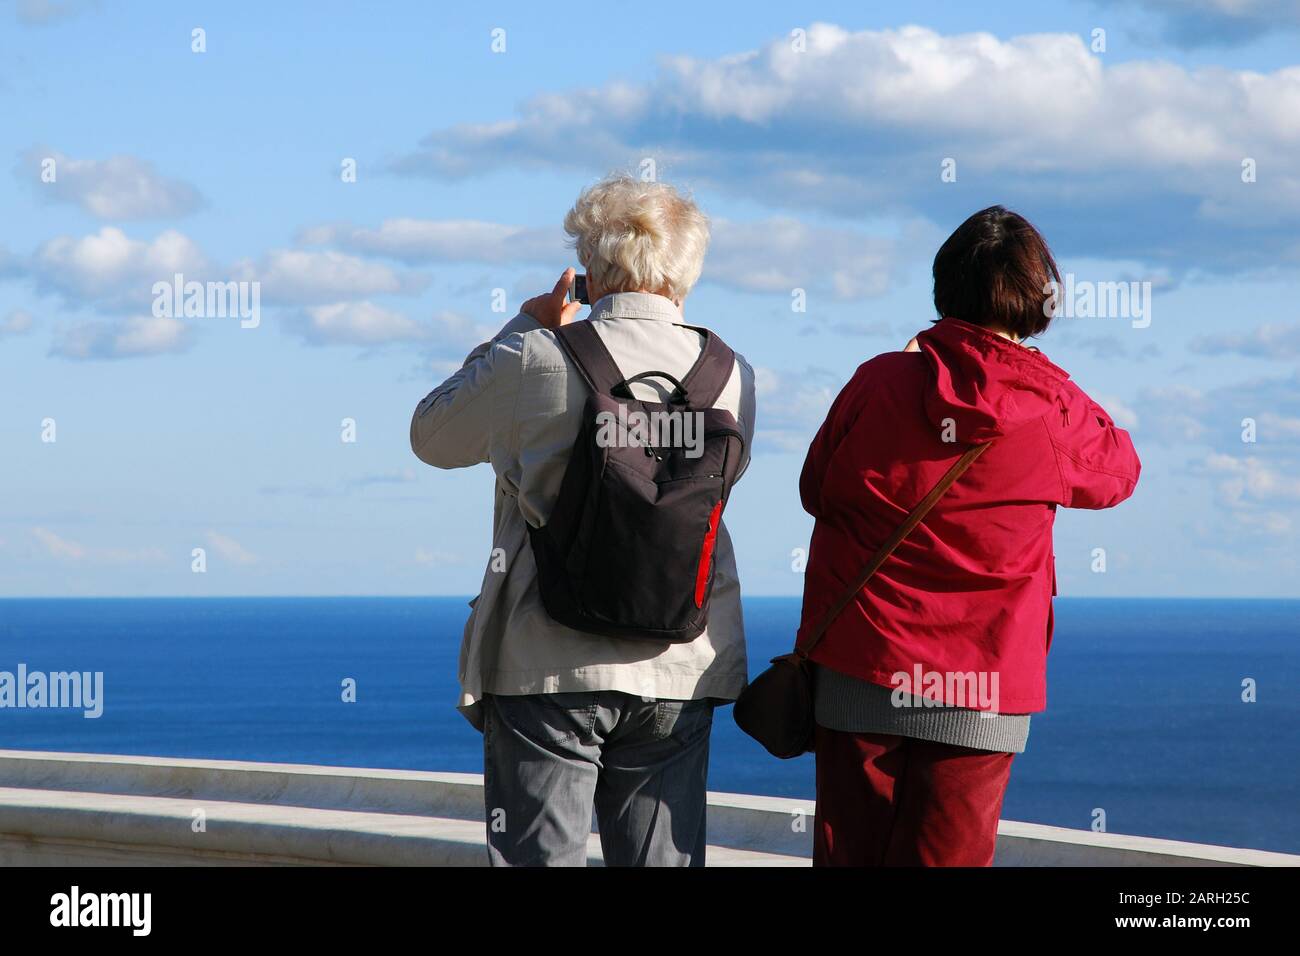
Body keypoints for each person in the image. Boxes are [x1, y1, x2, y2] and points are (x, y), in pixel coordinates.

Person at [409, 174, 756, 866]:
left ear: (589, 272)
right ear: (686, 272)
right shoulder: (732, 374)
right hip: (678, 662)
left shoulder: (537, 358)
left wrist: (525, 325)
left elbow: (432, 434)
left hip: (546, 661)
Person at [799, 205, 1141, 866]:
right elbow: (1120, 472)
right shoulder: (1050, 409)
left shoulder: (879, 381)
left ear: (944, 286)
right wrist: (1045, 374)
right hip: (981, 688)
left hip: (861, 667)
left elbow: (817, 491)